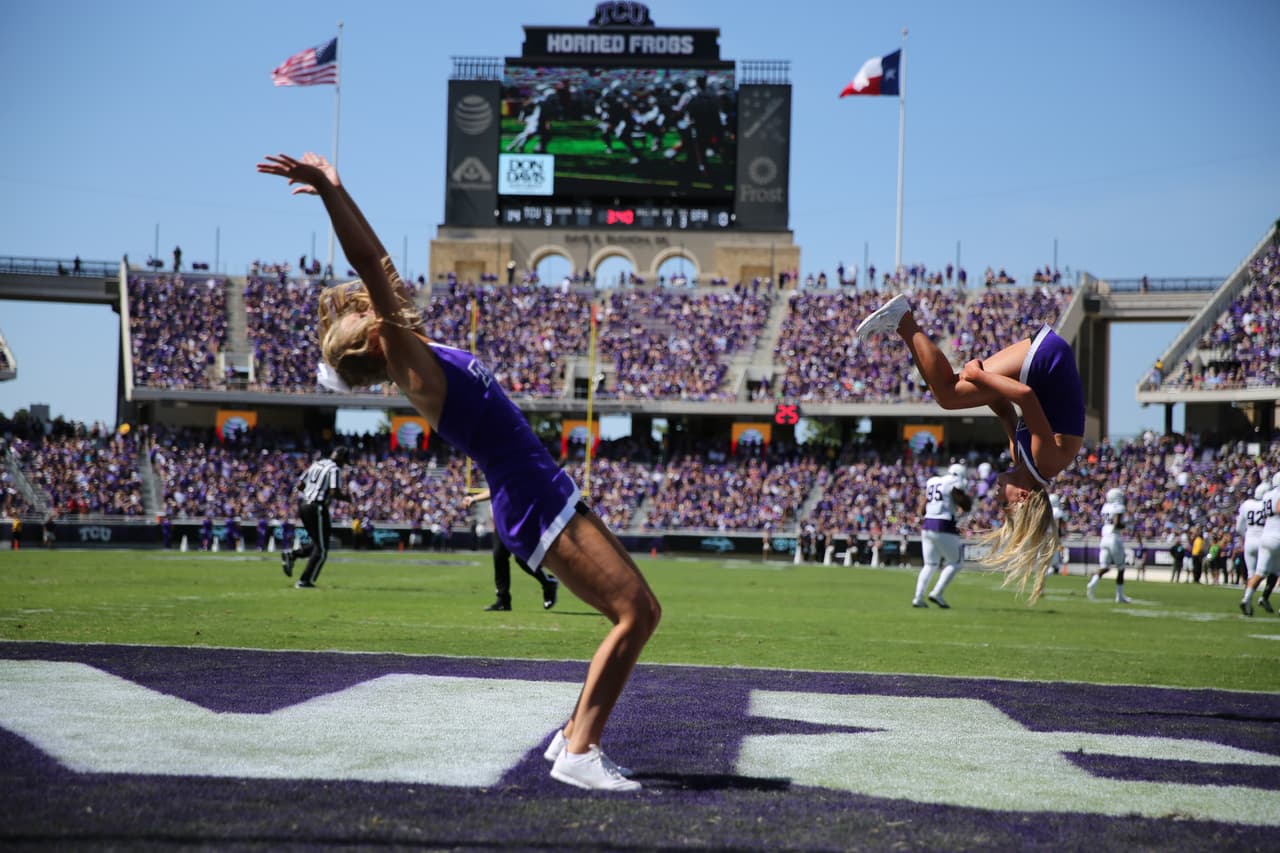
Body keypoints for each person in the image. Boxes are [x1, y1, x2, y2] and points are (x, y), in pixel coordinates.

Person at [258, 151, 660, 791]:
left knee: (641, 609)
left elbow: (381, 265)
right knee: (635, 614)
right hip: (529, 493)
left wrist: (341, 189)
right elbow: (371, 263)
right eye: (356, 316)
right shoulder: (410, 363)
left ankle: (568, 742)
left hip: (541, 485)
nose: (362, 304)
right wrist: (333, 193)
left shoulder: (412, 349)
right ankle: (581, 753)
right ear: (368, 341)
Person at [856, 294, 1084, 603]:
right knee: (950, 396)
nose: (995, 496)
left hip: (1047, 362)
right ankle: (902, 320)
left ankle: (901, 324)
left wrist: (982, 383)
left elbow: (1004, 410)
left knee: (947, 394)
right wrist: (980, 376)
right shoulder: (1045, 463)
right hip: (1048, 363)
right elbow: (1027, 398)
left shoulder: (1022, 461)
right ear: (1023, 497)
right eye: (1004, 505)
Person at [464, 488, 560, 611]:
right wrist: (475, 499)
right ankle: (503, 600)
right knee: (499, 556)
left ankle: (548, 583)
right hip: (502, 520)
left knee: (522, 558)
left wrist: (475, 499)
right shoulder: (499, 472)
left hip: (518, 519)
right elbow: (496, 487)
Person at [281, 446, 351, 587]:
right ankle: (305, 581)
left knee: (319, 544)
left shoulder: (317, 463)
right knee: (322, 550)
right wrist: (346, 498)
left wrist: (310, 492)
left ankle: (292, 555)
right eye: (345, 461)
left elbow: (300, 485)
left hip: (305, 505)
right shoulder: (334, 469)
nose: (344, 465)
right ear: (341, 458)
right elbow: (333, 492)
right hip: (316, 507)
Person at [913, 462, 973, 609]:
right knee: (956, 562)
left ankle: (918, 597)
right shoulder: (954, 482)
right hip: (944, 524)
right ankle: (937, 592)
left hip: (927, 525)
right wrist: (965, 500)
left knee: (930, 564)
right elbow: (964, 504)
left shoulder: (934, 481)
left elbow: (922, 507)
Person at [1240, 476, 1280, 616]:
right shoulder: (1277, 494)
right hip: (1277, 536)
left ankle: (1247, 598)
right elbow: (1278, 508)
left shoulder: (1267, 495)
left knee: (1259, 573)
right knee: (1275, 572)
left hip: (1265, 536)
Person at [1086, 488, 1131, 603]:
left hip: (1104, 538)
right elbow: (1116, 523)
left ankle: (1092, 583)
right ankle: (1119, 596)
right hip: (1114, 538)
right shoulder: (1119, 507)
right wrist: (1127, 524)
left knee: (1104, 567)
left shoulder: (1105, 507)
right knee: (1121, 569)